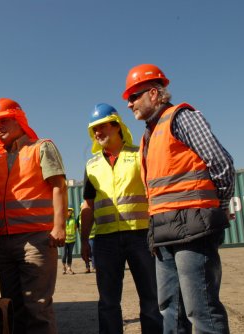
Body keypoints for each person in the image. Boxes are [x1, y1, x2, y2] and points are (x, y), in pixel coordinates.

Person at [123, 63, 235, 333]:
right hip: (164, 233)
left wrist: (213, 210)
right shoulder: (149, 135)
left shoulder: (181, 118)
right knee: (170, 312)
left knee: (202, 311)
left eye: (133, 96)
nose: (129, 104)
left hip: (194, 230)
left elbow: (223, 164)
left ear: (153, 93)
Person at [0, 98, 67, 334]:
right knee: (12, 306)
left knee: (37, 307)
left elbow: (59, 185)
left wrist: (58, 227)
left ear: (19, 120)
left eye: (3, 120)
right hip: (7, 244)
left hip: (37, 240)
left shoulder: (41, 148)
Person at [80, 103, 163, 334]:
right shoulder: (91, 165)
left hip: (141, 236)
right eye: (94, 129)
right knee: (107, 302)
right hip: (105, 241)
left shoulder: (139, 155)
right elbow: (88, 204)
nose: (98, 133)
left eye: (103, 126)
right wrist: (84, 239)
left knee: (151, 298)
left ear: (117, 126)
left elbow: (154, 192)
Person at [79, 201, 96, 273]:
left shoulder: (93, 213)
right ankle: (87, 267)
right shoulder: (79, 217)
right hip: (85, 237)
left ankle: (94, 266)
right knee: (86, 253)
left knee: (92, 252)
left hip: (93, 236)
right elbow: (77, 227)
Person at [62, 208, 77, 275]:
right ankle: (64, 267)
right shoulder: (62, 219)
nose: (69, 211)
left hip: (72, 240)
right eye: (68, 210)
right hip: (64, 240)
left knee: (70, 254)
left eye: (70, 210)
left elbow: (75, 228)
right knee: (64, 254)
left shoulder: (74, 219)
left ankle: (69, 268)